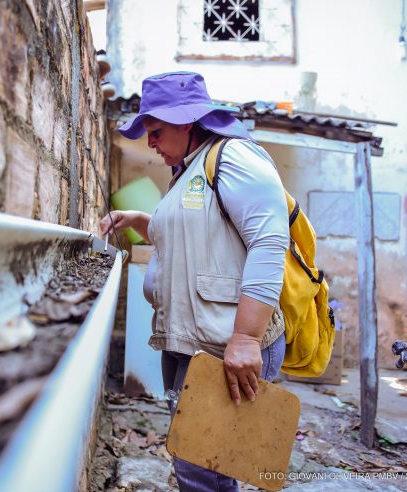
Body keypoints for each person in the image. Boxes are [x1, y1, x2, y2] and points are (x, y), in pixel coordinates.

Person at [100, 71, 289, 492]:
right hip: (193, 341)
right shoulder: (191, 167)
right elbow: (198, 238)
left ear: (187, 122)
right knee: (203, 464)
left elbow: (269, 242)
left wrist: (244, 338)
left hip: (224, 346)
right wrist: (143, 222)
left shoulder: (234, 157)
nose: (150, 142)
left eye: (155, 131)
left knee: (203, 470)